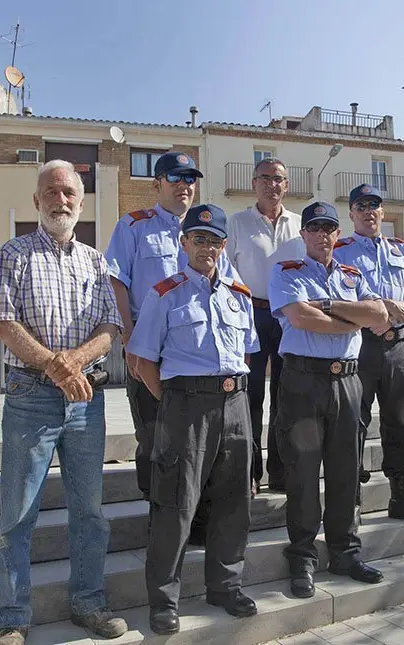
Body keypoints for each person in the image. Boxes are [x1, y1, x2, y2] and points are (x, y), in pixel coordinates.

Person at [0, 160, 127, 645]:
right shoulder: (13, 254)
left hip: (85, 401)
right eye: (50, 192)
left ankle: (89, 603)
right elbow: (2, 320)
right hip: (30, 398)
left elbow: (110, 328)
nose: (59, 200)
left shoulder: (94, 261)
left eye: (68, 193)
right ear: (36, 200)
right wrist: (53, 366)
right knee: (17, 515)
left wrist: (74, 363)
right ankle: (11, 619)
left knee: (89, 512)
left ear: (80, 203)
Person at [127, 203, 259, 635]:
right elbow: (141, 361)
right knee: (175, 506)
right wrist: (175, 403)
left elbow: (246, 355)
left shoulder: (239, 296)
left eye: (215, 241)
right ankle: (164, 600)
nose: (207, 247)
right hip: (185, 407)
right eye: (198, 239)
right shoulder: (164, 293)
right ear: (184, 243)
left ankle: (226, 586)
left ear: (224, 246)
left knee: (233, 501)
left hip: (235, 405)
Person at [105, 151, 235, 541]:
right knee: (155, 438)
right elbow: (116, 282)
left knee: (197, 440)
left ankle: (197, 519)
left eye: (190, 179)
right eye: (175, 178)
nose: (184, 186)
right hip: (152, 356)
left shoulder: (206, 233)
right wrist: (129, 339)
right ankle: (159, 517)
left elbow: (229, 287)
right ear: (157, 184)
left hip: (196, 359)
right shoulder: (133, 226)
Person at [268, 201, 389, 599]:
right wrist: (350, 319)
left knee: (346, 471)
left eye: (329, 229)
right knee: (302, 473)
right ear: (302, 234)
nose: (322, 235)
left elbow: (379, 315)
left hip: (348, 383)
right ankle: (302, 556)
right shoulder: (285, 272)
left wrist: (327, 306)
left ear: (338, 234)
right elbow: (300, 318)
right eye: (314, 228)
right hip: (304, 381)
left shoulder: (353, 274)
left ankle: (345, 552)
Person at [334, 184, 404, 523]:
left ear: (382, 212)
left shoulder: (401, 250)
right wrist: (378, 312)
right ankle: (351, 500)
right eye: (361, 205)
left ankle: (401, 495)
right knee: (352, 422)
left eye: (374, 205)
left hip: (399, 347)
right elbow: (338, 298)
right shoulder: (340, 251)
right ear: (351, 214)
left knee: (401, 421)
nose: (368, 211)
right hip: (360, 346)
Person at [226, 157, 303, 494]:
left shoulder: (301, 225)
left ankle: (281, 470)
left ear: (287, 185)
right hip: (250, 314)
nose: (273, 185)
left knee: (286, 396)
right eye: (266, 178)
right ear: (254, 183)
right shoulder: (237, 223)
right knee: (251, 396)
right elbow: (225, 274)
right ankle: (250, 473)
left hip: (290, 316)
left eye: (279, 179)